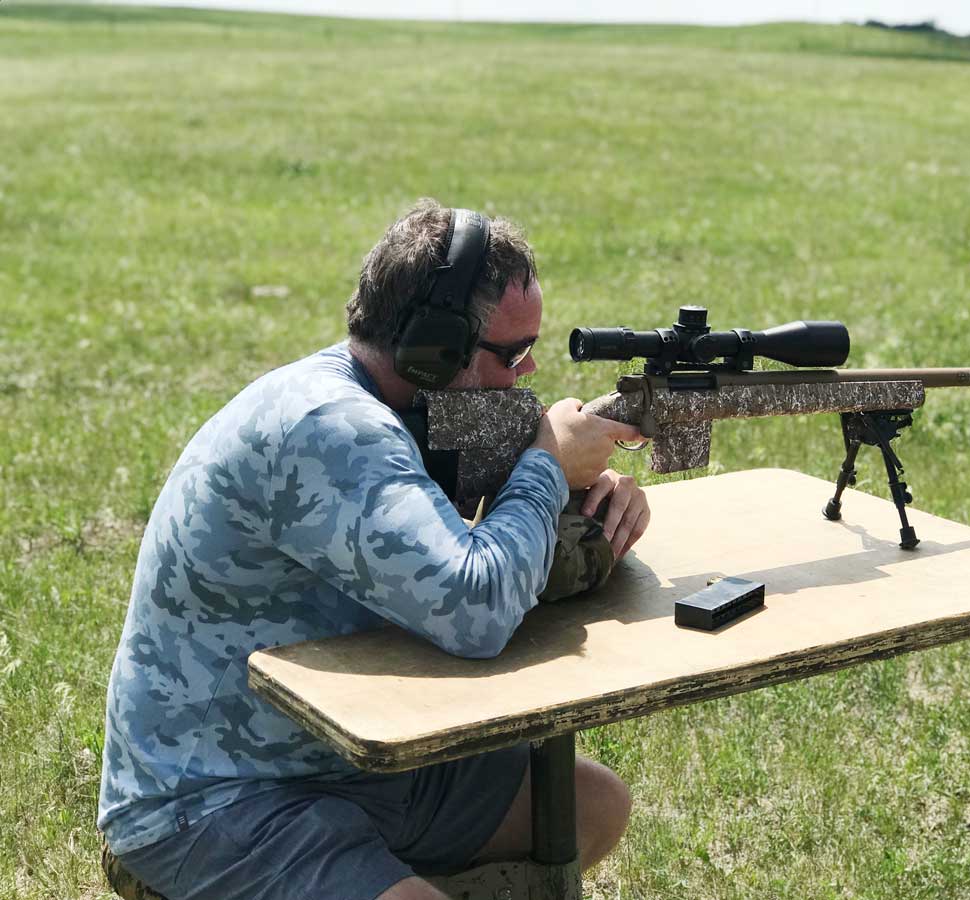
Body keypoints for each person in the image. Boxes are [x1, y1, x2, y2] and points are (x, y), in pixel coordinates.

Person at [98, 199, 651, 900]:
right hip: (210, 798)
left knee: (586, 807)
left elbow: (465, 557)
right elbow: (474, 611)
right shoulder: (331, 425)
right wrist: (544, 466)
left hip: (347, 764)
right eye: (511, 354)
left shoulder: (401, 412)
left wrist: (591, 503)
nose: (528, 370)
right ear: (434, 348)